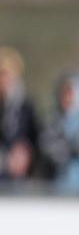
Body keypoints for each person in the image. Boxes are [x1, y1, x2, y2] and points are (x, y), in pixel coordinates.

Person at [0, 47, 40, 181]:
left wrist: (25, 151)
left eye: (5, 74)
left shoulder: (26, 105)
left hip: (18, 177)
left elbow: (34, 136)